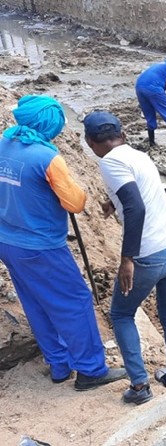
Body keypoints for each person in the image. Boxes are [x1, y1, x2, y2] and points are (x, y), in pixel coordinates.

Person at [0, 95, 127, 390]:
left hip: (7, 242)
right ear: (49, 124)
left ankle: (59, 365)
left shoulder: (3, 144)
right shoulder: (47, 157)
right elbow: (74, 203)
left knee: (34, 301)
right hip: (41, 245)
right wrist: (79, 190)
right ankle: (91, 370)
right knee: (75, 301)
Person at [83, 110, 166, 405]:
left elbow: (136, 208)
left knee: (121, 314)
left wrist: (127, 258)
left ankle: (140, 387)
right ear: (123, 134)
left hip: (148, 256)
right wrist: (113, 201)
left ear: (90, 142)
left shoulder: (109, 162)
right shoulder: (138, 155)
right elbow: (139, 192)